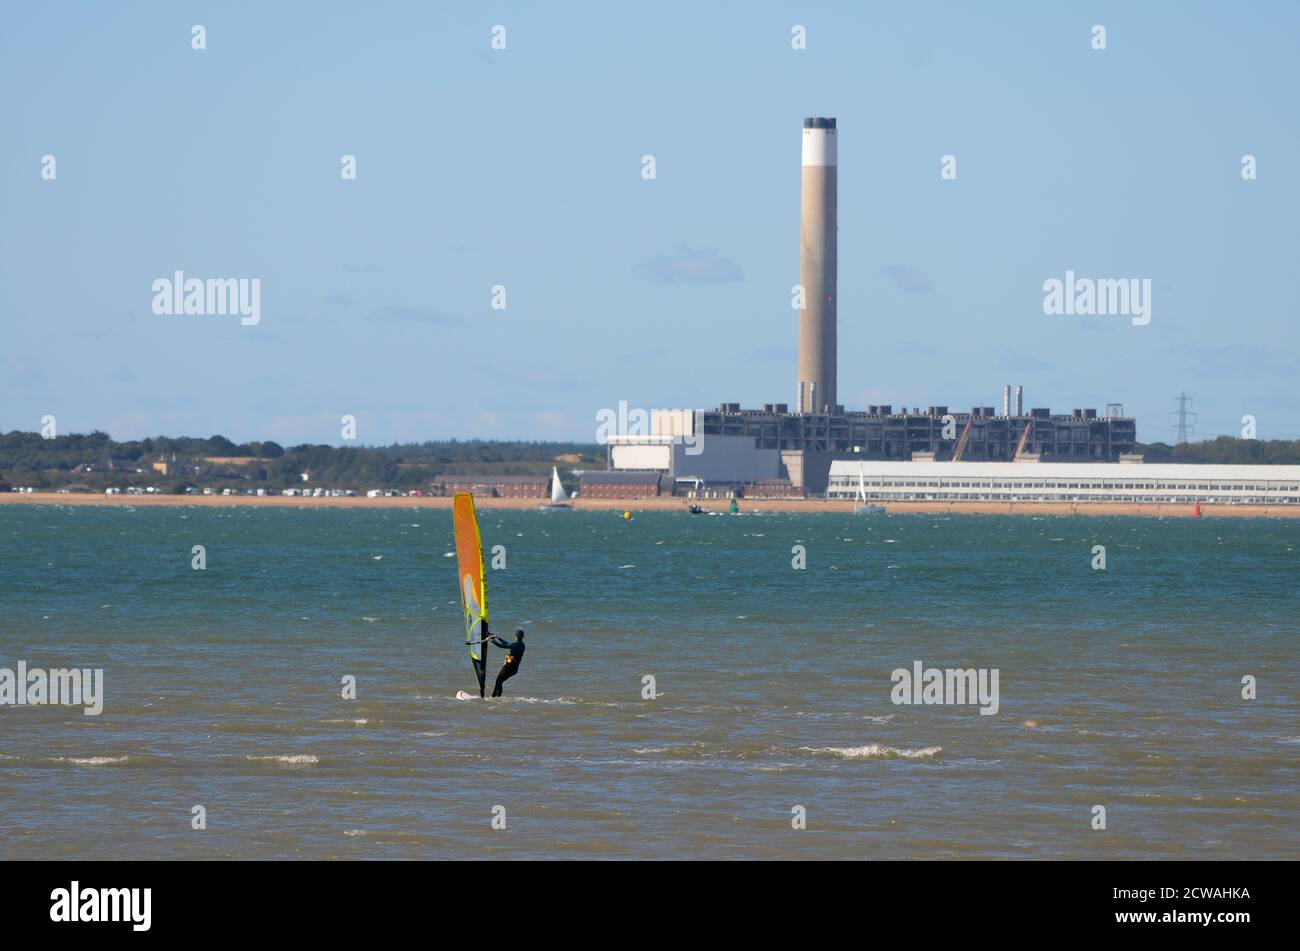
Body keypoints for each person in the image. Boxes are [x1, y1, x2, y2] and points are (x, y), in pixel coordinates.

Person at [489, 628, 526, 698]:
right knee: (499, 682)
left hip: (508, 667)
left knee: (498, 681)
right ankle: (494, 697)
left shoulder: (515, 644)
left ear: (515, 636)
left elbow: (502, 646)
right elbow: (507, 643)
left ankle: (493, 697)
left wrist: (492, 641)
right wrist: (498, 638)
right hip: (514, 670)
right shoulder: (522, 645)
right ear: (523, 637)